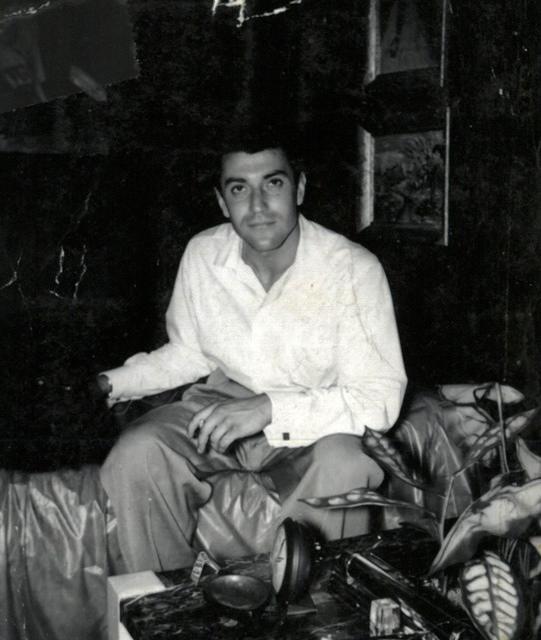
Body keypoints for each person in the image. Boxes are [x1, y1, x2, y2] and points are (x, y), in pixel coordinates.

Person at [98, 130, 407, 573]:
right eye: (239, 189)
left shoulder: (354, 268)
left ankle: (311, 597)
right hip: (221, 404)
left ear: (299, 188)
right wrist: (110, 383)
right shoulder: (203, 253)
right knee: (137, 452)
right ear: (222, 201)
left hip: (317, 422)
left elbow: (379, 399)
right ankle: (167, 598)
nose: (258, 206)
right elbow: (189, 353)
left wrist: (268, 409)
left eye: (273, 183)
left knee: (346, 465)